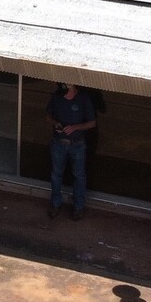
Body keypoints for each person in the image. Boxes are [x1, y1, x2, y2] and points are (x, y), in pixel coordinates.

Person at [47, 82, 96, 220]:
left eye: (67, 93)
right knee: (56, 175)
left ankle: (78, 207)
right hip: (58, 143)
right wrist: (56, 124)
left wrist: (75, 127)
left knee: (79, 175)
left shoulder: (83, 99)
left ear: (73, 88)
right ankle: (55, 204)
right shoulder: (57, 97)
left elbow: (92, 123)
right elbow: (48, 116)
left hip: (77, 144)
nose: (65, 97)